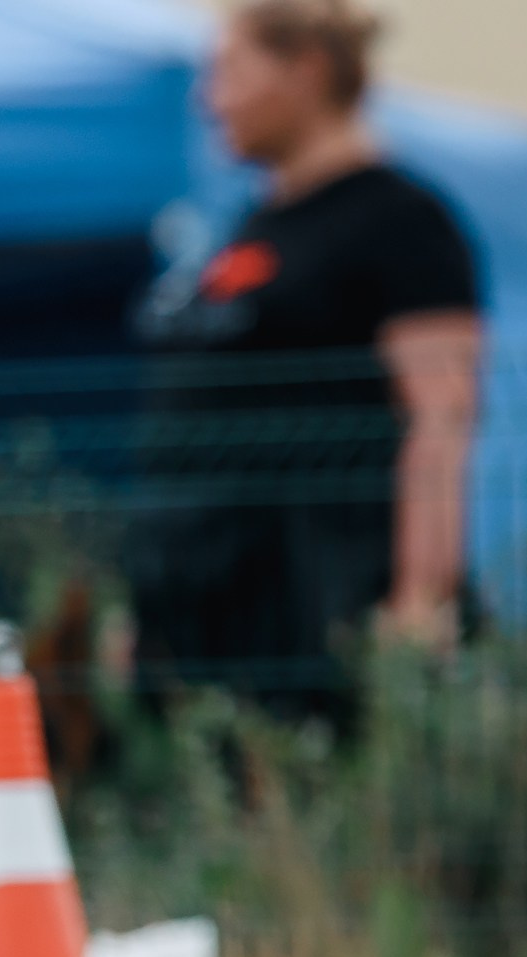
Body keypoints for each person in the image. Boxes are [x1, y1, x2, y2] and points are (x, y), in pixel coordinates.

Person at [132, 0, 482, 727]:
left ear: (307, 71)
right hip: (208, 599)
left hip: (319, 597)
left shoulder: (403, 223)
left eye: (230, 71)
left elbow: (443, 419)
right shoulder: (255, 226)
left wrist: (418, 601)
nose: (208, 98)